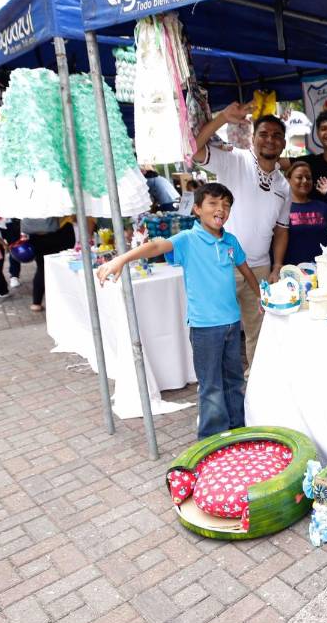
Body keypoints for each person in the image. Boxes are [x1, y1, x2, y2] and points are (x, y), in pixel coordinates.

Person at [97, 182, 258, 439]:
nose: (221, 209)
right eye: (213, 203)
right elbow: (156, 247)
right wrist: (122, 259)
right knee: (211, 386)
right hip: (205, 327)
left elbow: (245, 269)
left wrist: (260, 295)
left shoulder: (230, 241)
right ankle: (211, 440)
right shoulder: (187, 239)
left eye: (226, 205)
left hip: (231, 322)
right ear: (197, 209)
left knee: (234, 381)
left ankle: (237, 431)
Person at [193, 103, 291, 370]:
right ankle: (214, 384)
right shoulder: (234, 159)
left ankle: (257, 382)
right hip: (220, 264)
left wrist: (277, 266)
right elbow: (194, 150)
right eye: (264, 134)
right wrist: (222, 118)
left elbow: (282, 229)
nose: (270, 139)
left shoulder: (283, 185)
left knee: (260, 331)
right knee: (216, 331)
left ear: (283, 144)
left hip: (259, 269)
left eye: (276, 136)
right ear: (253, 137)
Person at [274, 161, 327, 269]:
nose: (305, 181)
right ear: (288, 180)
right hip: (292, 273)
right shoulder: (281, 209)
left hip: (323, 270)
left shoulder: (324, 207)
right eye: (299, 177)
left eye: (308, 178)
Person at [22, 216, 76, 312]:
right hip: (60, 232)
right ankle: (65, 301)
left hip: (35, 235)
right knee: (64, 266)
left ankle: (36, 303)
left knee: (41, 268)